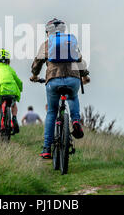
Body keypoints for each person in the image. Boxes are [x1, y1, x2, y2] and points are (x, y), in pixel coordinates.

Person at [30, 18, 90, 159]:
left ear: (47, 32)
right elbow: (80, 61)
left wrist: (34, 75)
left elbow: (37, 63)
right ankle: (75, 120)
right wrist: (85, 76)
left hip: (53, 80)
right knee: (73, 97)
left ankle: (46, 148)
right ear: (64, 30)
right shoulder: (71, 43)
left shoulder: (47, 44)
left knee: (52, 111)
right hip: (73, 79)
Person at [0, 48, 23, 133]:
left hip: (0, 90)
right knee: (13, 104)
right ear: (8, 60)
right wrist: (20, 89)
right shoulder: (10, 69)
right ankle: (14, 118)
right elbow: (19, 81)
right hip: (12, 90)